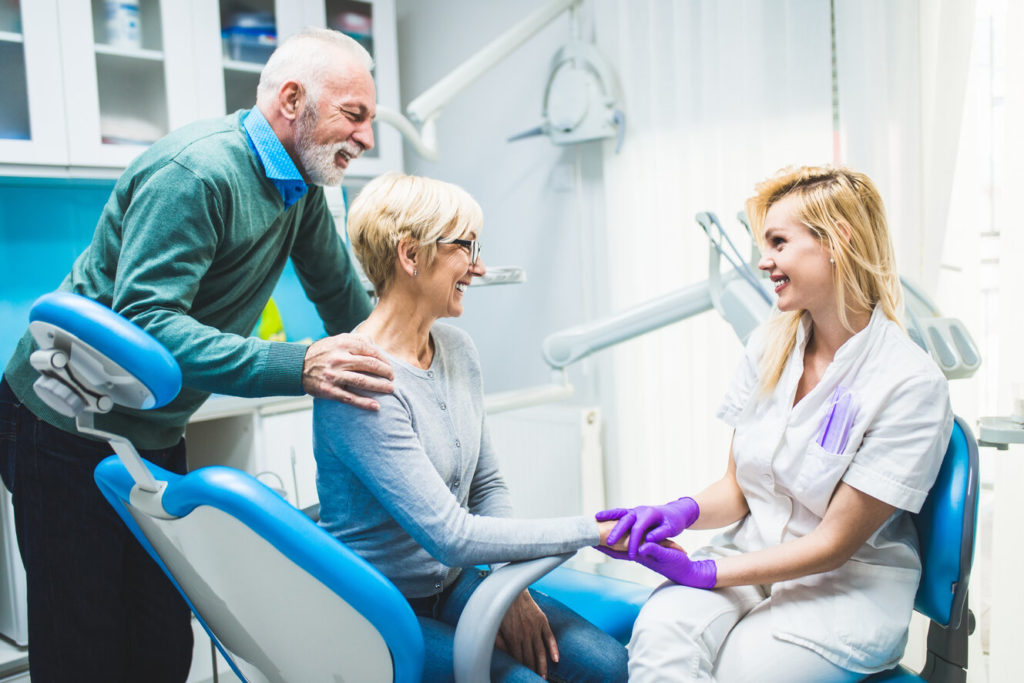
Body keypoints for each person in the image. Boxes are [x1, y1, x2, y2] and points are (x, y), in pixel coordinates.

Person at [0, 28, 396, 682]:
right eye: (355, 115)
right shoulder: (198, 173)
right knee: (85, 645)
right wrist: (297, 364)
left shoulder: (297, 189)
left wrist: (413, 343)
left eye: (371, 120)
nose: (366, 138)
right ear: (292, 100)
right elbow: (148, 320)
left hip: (151, 422)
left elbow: (343, 299)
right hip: (62, 420)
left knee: (161, 638)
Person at [596, 165, 953, 682]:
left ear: (836, 241)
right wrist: (679, 512)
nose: (764, 261)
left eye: (779, 243)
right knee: (659, 638)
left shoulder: (909, 382)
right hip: (750, 558)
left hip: (841, 589)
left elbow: (833, 544)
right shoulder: (770, 344)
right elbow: (739, 486)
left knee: (741, 670)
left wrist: (706, 572)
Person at [313, 171, 628, 683]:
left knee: (608, 668)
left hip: (459, 583)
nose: (478, 267)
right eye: (466, 247)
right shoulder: (361, 378)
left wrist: (507, 585)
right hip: (381, 612)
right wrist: (596, 530)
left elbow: (487, 484)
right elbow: (451, 537)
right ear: (411, 255)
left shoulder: (458, 349)